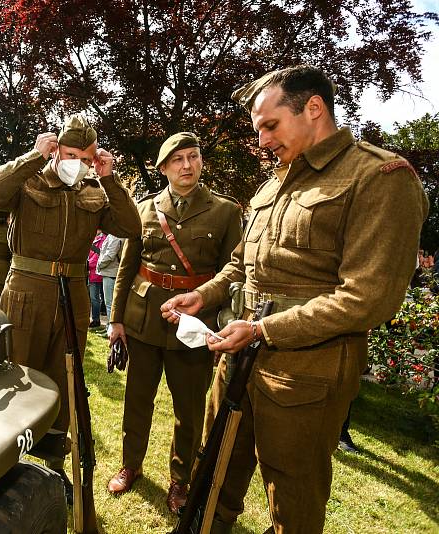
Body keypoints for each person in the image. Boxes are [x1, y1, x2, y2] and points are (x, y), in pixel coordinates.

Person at [161, 66, 428, 533]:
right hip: (239, 355)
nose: (262, 141)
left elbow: (368, 297)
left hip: (306, 374)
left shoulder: (379, 176)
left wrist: (265, 329)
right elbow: (241, 263)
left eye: (270, 125)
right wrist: (201, 296)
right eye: (258, 129)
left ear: (313, 108)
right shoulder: (272, 184)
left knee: (292, 495)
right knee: (214, 470)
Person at [0, 113, 141, 497]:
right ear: (54, 150)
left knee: (65, 378)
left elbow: (131, 227)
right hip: (26, 289)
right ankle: (3, 464)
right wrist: (32, 157)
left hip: (75, 293)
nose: (77, 165)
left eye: (86, 158)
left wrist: (110, 178)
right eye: (69, 155)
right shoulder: (28, 179)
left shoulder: (94, 190)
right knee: (15, 376)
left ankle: (54, 463)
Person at [104, 132, 242, 513]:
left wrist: (216, 312)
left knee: (189, 410)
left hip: (194, 324)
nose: (187, 165)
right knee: (137, 402)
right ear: (163, 168)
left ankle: (180, 481)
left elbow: (234, 268)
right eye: (178, 159)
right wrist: (117, 320)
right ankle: (131, 465)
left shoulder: (225, 211)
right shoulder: (145, 209)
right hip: (145, 322)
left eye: (193, 157)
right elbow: (128, 267)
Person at [96, 233, 123, 334]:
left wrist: (99, 264)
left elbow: (110, 255)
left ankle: (110, 330)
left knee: (110, 304)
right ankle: (108, 327)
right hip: (111, 272)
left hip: (111, 272)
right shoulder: (113, 235)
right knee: (110, 304)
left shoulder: (116, 236)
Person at [87, 230, 108, 329]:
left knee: (94, 298)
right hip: (91, 273)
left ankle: (96, 320)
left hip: (95, 273)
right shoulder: (94, 238)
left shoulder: (103, 239)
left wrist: (87, 264)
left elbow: (97, 257)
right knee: (93, 297)